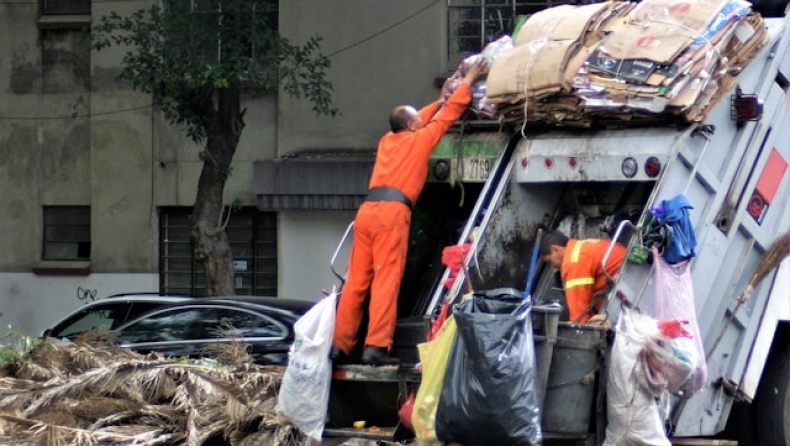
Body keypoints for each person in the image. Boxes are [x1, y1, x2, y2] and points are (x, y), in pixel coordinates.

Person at [331, 60, 487, 366]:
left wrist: (439, 99)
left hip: (366, 213)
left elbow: (426, 116)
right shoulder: (420, 139)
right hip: (392, 214)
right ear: (413, 125)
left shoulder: (387, 141)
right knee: (385, 280)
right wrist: (468, 80)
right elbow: (450, 114)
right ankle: (376, 347)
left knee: (356, 283)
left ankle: (340, 345)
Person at [539, 229, 627, 324]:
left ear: (555, 249)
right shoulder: (580, 245)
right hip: (629, 272)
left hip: (625, 290)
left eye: (550, 261)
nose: (553, 266)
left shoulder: (572, 262)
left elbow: (579, 317)